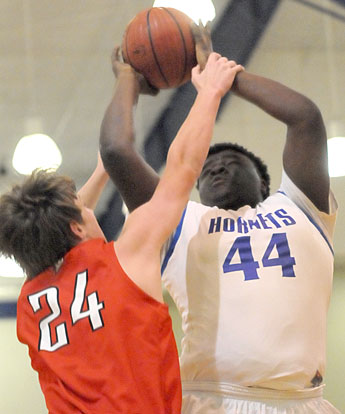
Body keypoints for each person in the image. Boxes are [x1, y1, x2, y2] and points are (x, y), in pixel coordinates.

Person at [99, 44, 340, 413]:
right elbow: (117, 151)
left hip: (301, 401)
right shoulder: (181, 223)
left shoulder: (301, 207)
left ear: (263, 182)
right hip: (212, 399)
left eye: (229, 162)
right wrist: (127, 80)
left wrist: (224, 75)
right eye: (206, 170)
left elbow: (304, 117)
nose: (214, 169)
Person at [0, 53, 243, 413]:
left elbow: (53, 233)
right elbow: (183, 166)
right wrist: (210, 92)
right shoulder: (125, 258)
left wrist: (102, 172)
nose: (88, 203)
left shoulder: (28, 306)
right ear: (76, 226)